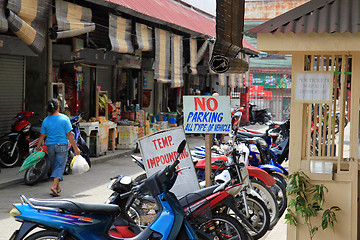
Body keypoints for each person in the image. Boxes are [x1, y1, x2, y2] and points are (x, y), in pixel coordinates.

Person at [36, 98, 81, 197]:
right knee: (60, 166)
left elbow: (42, 136)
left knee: (55, 166)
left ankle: (57, 187)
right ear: (58, 107)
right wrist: (76, 148)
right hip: (62, 146)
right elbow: (69, 134)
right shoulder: (64, 118)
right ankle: (53, 186)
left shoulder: (46, 120)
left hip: (50, 146)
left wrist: (38, 147)